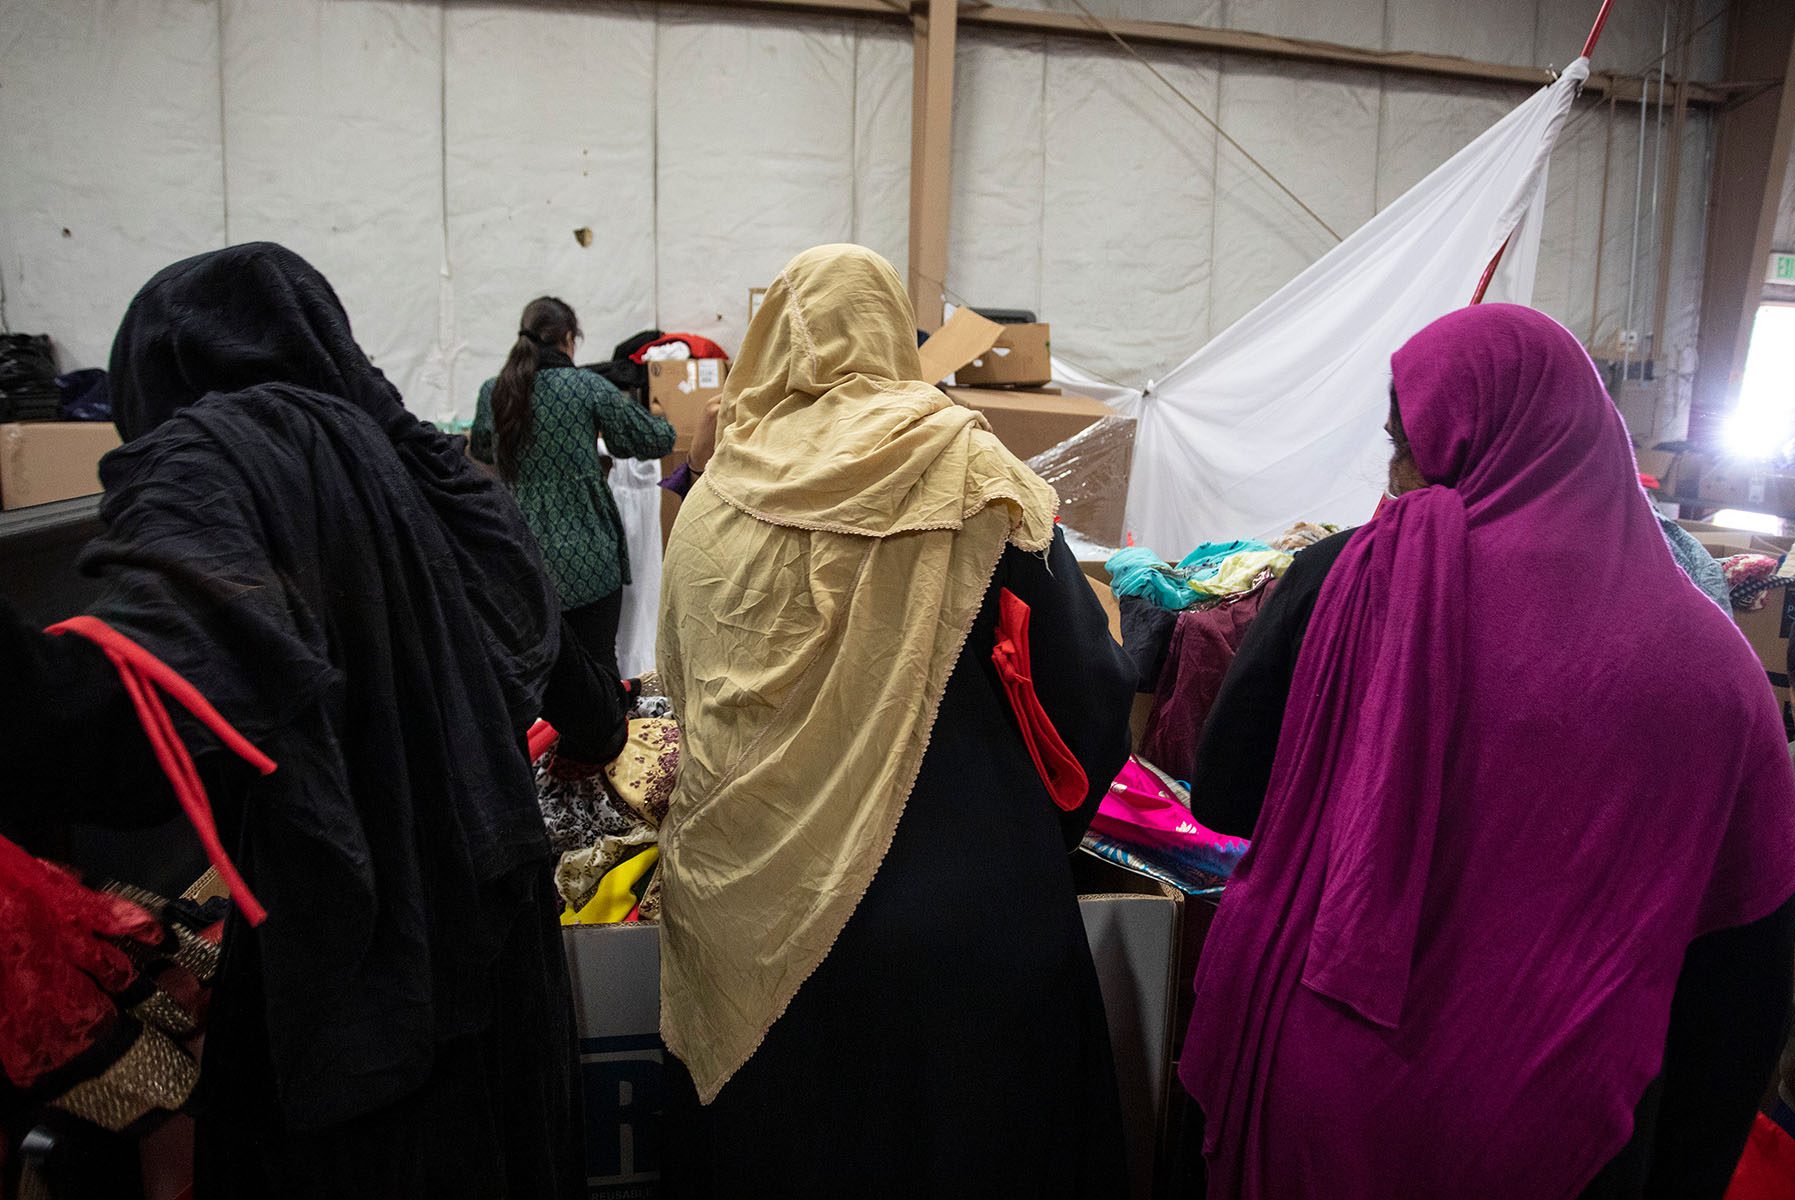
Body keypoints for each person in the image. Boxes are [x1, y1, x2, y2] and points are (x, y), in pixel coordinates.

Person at [0, 243, 625, 1198]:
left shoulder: (221, 451)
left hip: (360, 964)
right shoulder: (420, 458)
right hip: (502, 959)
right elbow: (586, 701)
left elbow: (123, 724)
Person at [1179, 304, 1795, 1199]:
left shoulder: (1345, 583)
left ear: (1466, 442)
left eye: (1406, 446)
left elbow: (1226, 795)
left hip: (1327, 1090)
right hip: (1561, 1126)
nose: (1392, 478)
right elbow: (1741, 984)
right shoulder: (1714, 668)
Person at [655, 245, 1136, 1196]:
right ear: (889, 334)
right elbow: (1088, 692)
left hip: (754, 933)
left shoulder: (714, 500)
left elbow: (684, 687)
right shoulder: (964, 468)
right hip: (967, 923)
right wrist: (1022, 832)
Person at [473, 297, 676, 682]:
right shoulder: (586, 387)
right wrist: (663, 417)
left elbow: (483, 448)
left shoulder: (494, 391)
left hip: (523, 556)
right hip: (589, 555)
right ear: (568, 339)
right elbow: (653, 441)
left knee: (535, 671)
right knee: (598, 665)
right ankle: (600, 740)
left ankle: (538, 741)